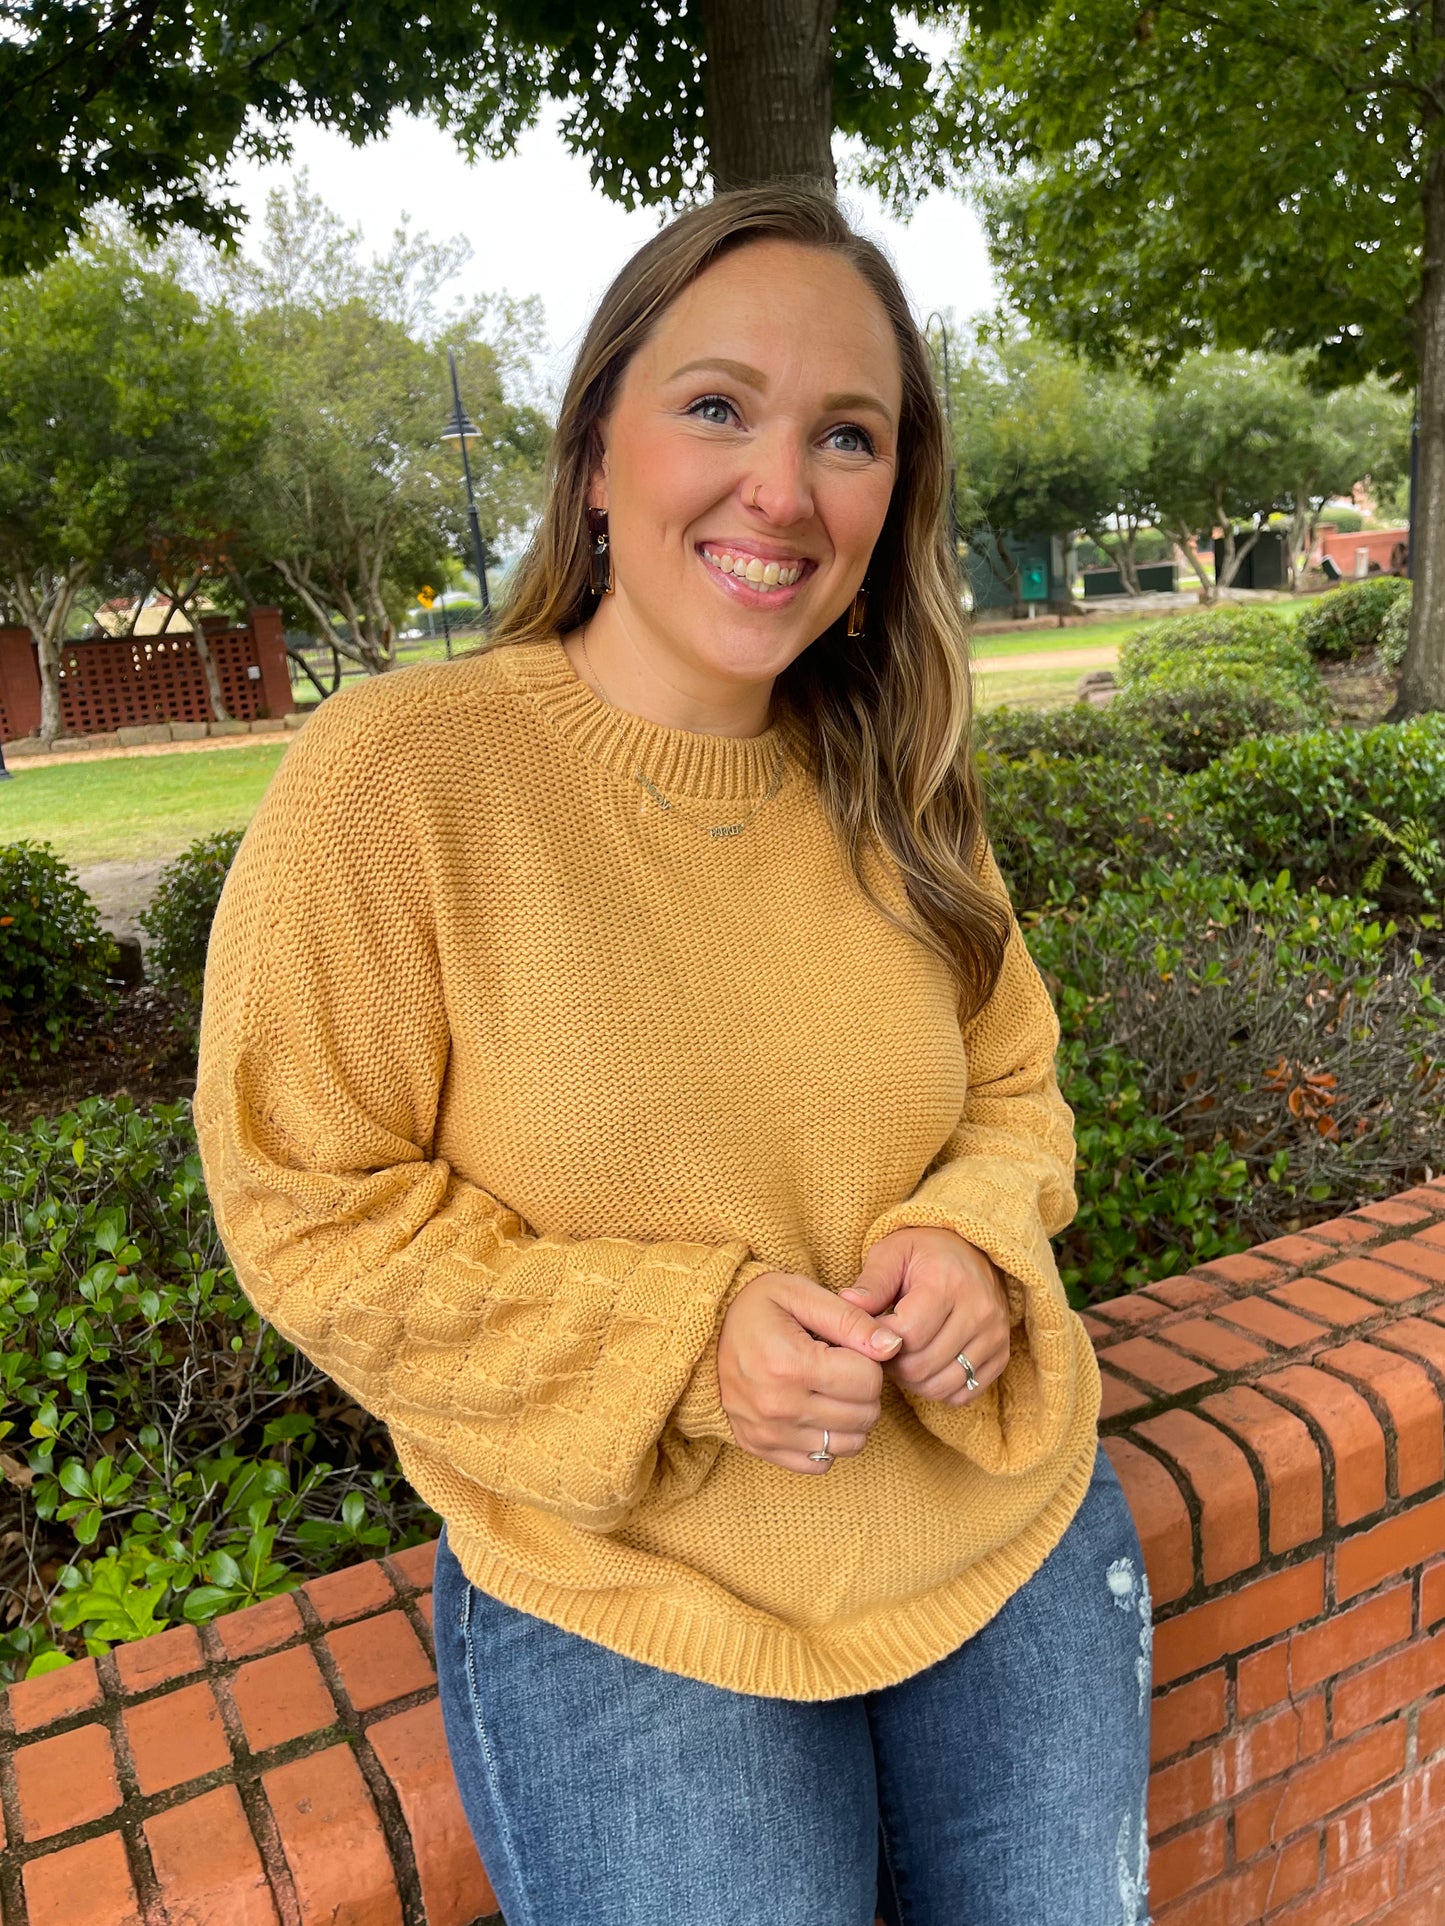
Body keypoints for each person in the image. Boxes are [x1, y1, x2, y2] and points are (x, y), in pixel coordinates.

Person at [195, 185, 1152, 1926]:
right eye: (716, 406)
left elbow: (1014, 1086)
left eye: (844, 435)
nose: (779, 489)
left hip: (999, 1528)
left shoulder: (903, 779)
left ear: (891, 495)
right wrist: (682, 1342)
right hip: (622, 1584)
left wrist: (977, 1236)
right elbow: (303, 1206)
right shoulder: (400, 778)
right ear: (594, 452)